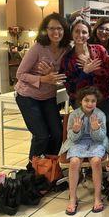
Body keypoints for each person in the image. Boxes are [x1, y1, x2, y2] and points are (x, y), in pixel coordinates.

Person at [15, 13, 70, 160]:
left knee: (58, 134)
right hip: (28, 96)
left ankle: (48, 166)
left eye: (59, 28)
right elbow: (20, 74)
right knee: (42, 135)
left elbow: (64, 75)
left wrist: (52, 74)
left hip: (48, 97)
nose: (55, 32)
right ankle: (32, 170)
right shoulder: (38, 48)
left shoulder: (66, 50)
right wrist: (43, 78)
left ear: (64, 30)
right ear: (45, 30)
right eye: (51, 28)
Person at [59, 86, 109, 215]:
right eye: (87, 100)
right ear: (81, 100)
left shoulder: (100, 115)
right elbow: (71, 137)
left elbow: (101, 137)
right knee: (74, 162)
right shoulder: (74, 114)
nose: (90, 103)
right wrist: (76, 130)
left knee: (96, 161)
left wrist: (95, 129)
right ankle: (73, 197)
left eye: (93, 101)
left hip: (96, 142)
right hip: (78, 142)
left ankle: (97, 197)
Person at [61, 19, 109, 138]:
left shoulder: (99, 50)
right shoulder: (67, 59)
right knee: (85, 128)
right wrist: (84, 72)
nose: (80, 35)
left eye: (84, 32)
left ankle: (107, 149)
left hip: (102, 98)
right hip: (81, 101)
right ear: (72, 34)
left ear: (89, 35)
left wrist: (95, 69)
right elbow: (70, 87)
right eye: (77, 31)